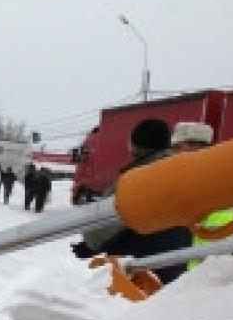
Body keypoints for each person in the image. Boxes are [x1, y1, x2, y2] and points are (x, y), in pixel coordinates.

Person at [70, 117, 192, 283]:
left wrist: (91, 245)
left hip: (144, 271)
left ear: (136, 145)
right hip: (177, 264)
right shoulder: (182, 170)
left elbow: (102, 229)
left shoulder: (137, 178)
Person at [172, 122, 233, 269]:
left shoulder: (203, 176)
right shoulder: (214, 171)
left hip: (208, 253)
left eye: (178, 147)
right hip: (202, 255)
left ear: (195, 145)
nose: (174, 153)